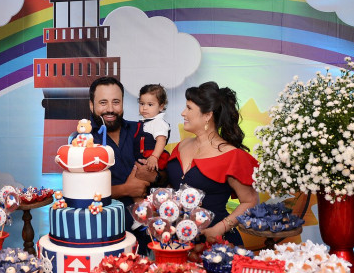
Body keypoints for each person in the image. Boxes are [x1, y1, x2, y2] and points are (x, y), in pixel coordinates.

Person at [166, 81, 259, 255]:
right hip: (176, 243)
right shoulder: (182, 145)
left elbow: (250, 201)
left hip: (216, 246)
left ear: (207, 115)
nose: (183, 113)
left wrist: (220, 228)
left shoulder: (232, 156)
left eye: (189, 108)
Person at [88, 77, 163, 254]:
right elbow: (81, 193)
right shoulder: (83, 141)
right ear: (91, 105)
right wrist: (126, 189)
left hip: (145, 235)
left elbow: (164, 174)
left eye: (116, 102)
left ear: (123, 103)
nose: (110, 109)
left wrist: (155, 176)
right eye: (103, 103)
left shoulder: (141, 130)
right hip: (102, 233)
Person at [134, 84, 170, 172]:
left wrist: (154, 157)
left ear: (161, 106)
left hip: (153, 161)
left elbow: (161, 141)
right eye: (142, 104)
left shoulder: (159, 122)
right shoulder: (144, 122)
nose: (144, 108)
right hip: (141, 159)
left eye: (150, 105)